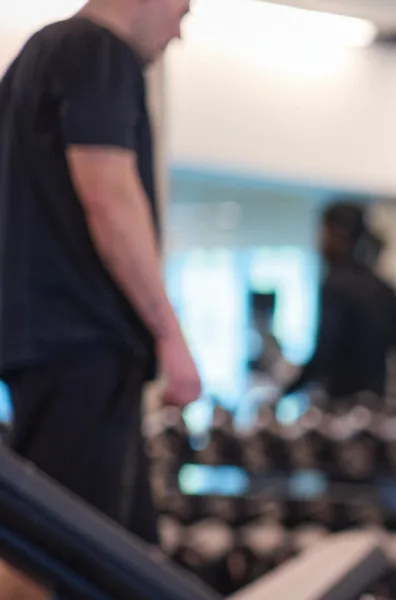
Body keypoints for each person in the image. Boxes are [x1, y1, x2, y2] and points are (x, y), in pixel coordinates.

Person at [0, 0, 198, 596]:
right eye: (183, 9)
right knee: (75, 560)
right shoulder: (97, 52)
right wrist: (171, 335)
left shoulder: (34, 60)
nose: (180, 31)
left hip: (46, 348)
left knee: (110, 557)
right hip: (84, 346)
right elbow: (109, 197)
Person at [282, 202, 396, 408]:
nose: (320, 244)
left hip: (343, 410)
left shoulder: (336, 285)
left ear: (339, 235)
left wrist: (285, 392)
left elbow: (325, 352)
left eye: (324, 234)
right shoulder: (386, 289)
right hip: (377, 410)